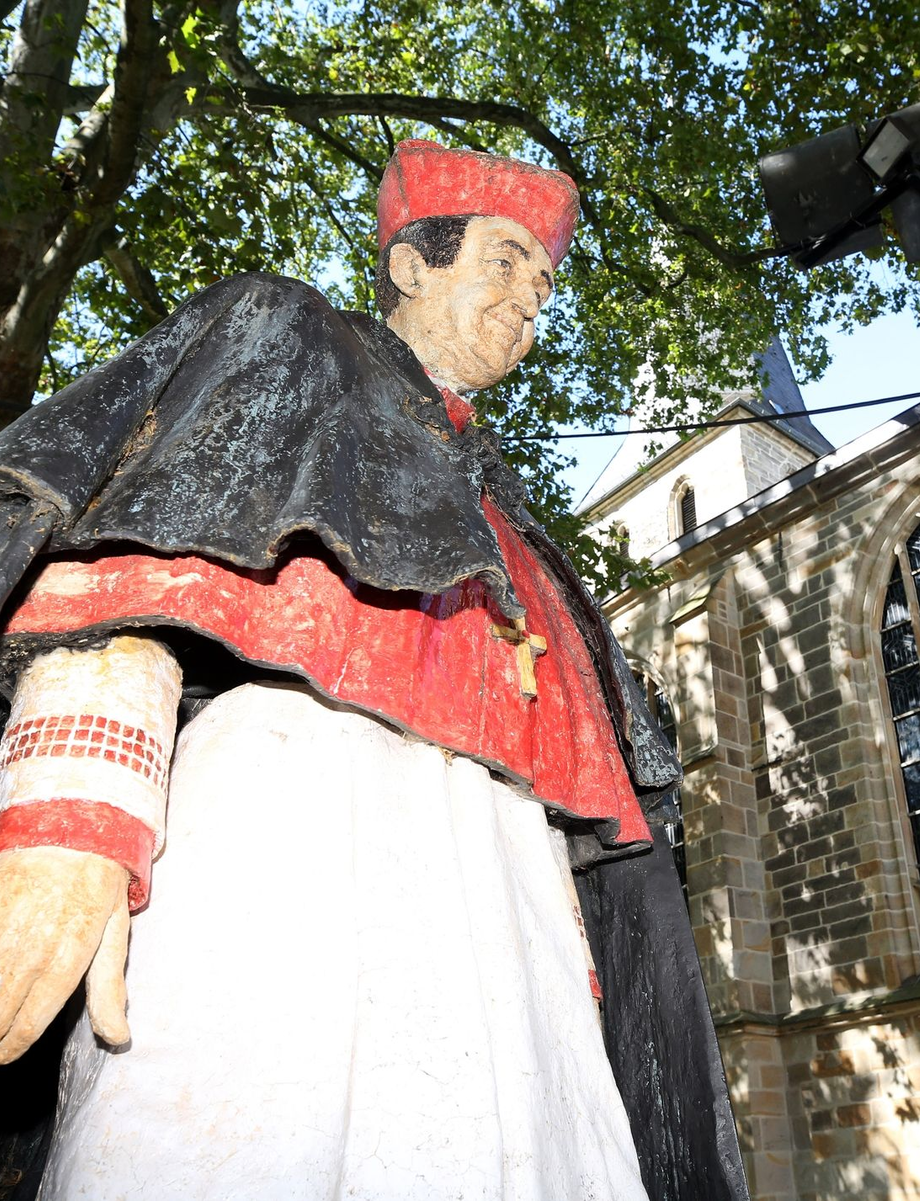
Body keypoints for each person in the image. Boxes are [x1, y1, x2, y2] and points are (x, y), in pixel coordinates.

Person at [0, 142, 749, 1200]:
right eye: (505, 260)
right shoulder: (283, 331)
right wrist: (74, 811)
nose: (532, 298)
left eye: (544, 282)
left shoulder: (511, 511)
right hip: (284, 823)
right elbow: (119, 547)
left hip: (510, 908)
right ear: (412, 266)